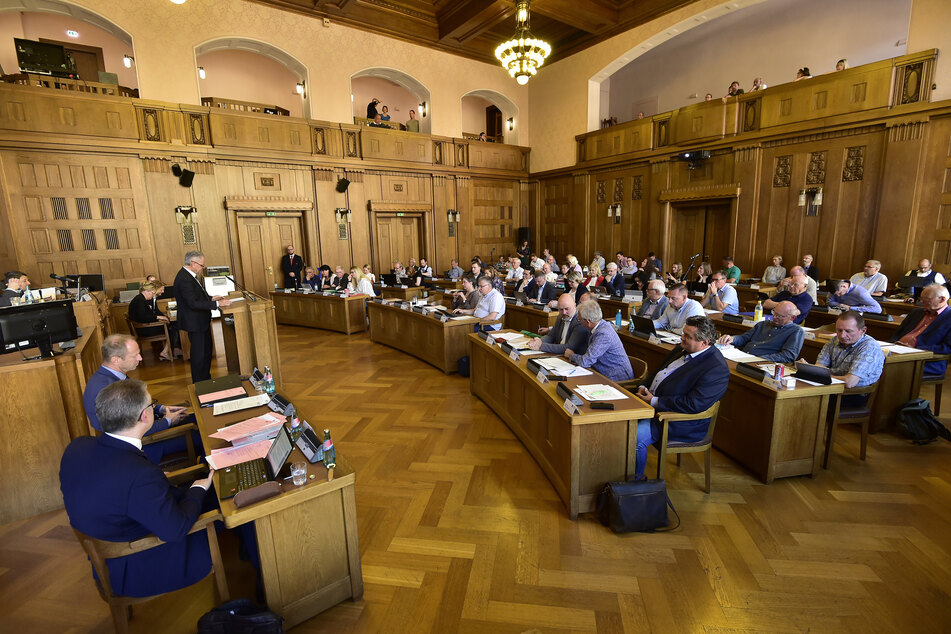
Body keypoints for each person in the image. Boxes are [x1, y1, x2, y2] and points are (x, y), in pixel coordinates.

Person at [61, 379, 217, 599]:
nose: (153, 408)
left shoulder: (77, 447)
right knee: (231, 501)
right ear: (145, 416)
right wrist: (198, 489)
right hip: (140, 567)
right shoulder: (138, 475)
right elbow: (174, 530)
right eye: (151, 405)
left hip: (107, 557)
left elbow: (115, 487)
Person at [633, 316, 730, 478]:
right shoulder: (683, 348)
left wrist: (654, 401)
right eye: (683, 333)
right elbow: (660, 373)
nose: (682, 338)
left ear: (704, 343)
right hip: (652, 407)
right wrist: (644, 386)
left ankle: (634, 486)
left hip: (678, 421)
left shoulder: (716, 368)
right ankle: (614, 472)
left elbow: (694, 404)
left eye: (688, 336)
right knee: (616, 424)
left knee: (634, 439)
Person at [82, 334, 191, 464]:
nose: (140, 358)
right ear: (116, 359)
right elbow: (130, 430)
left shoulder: (112, 376)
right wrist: (167, 421)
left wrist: (162, 409)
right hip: (142, 447)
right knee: (200, 435)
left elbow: (137, 405)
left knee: (192, 418)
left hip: (143, 430)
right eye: (135, 356)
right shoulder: (110, 389)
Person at [173, 251, 231, 383]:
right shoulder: (184, 278)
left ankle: (206, 380)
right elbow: (192, 303)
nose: (202, 268)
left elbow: (196, 296)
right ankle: (199, 383)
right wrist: (216, 303)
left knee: (206, 352)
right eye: (201, 265)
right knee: (199, 355)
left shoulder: (190, 275)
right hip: (195, 322)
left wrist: (211, 298)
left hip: (201, 321)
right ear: (193, 263)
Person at [814, 311, 885, 402]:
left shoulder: (869, 347)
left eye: (848, 331)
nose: (842, 335)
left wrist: (823, 376)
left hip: (852, 394)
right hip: (830, 388)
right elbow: (819, 367)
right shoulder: (834, 340)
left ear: (863, 331)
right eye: (839, 330)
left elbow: (850, 382)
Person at [564, 300, 633, 382]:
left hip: (617, 378)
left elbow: (585, 361)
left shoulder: (603, 334)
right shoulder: (599, 326)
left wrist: (571, 355)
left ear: (588, 322)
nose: (579, 322)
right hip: (603, 373)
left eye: (579, 320)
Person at [890, 284, 951, 376]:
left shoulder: (949, 318)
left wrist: (915, 350)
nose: (921, 301)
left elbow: (946, 348)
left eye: (926, 299)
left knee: (884, 368)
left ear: (942, 299)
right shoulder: (916, 312)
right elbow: (898, 333)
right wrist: (892, 345)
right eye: (921, 298)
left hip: (923, 360)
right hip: (896, 352)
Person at [717, 301, 805, 362]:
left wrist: (759, 358)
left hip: (761, 363)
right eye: (774, 313)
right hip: (743, 357)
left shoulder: (796, 331)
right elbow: (745, 338)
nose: (774, 317)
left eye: (779, 316)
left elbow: (787, 356)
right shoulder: (763, 324)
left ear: (792, 318)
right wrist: (733, 338)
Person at [128, 282, 180, 360]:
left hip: (143, 326)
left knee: (172, 325)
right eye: (152, 293)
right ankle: (166, 352)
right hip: (143, 329)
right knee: (172, 327)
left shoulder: (140, 298)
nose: (153, 296)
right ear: (147, 291)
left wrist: (160, 317)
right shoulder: (140, 300)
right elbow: (142, 317)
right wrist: (158, 317)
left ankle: (172, 350)